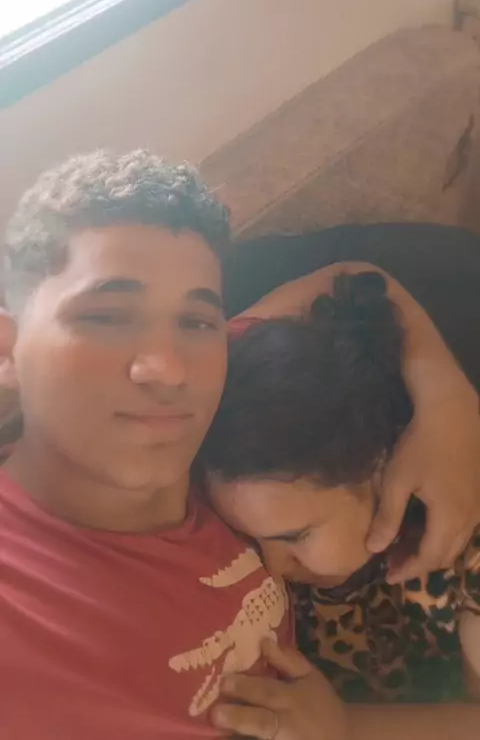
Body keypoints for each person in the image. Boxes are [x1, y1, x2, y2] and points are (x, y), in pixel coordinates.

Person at [0, 149, 479, 740]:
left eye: (197, 321)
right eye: (105, 316)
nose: (168, 368)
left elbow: (354, 282)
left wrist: (446, 404)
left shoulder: (230, 405)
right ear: (8, 348)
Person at [201, 268, 480, 739]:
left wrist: (345, 727)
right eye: (249, 539)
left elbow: (358, 281)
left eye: (295, 536)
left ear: (377, 468)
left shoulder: (464, 554)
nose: (272, 569)